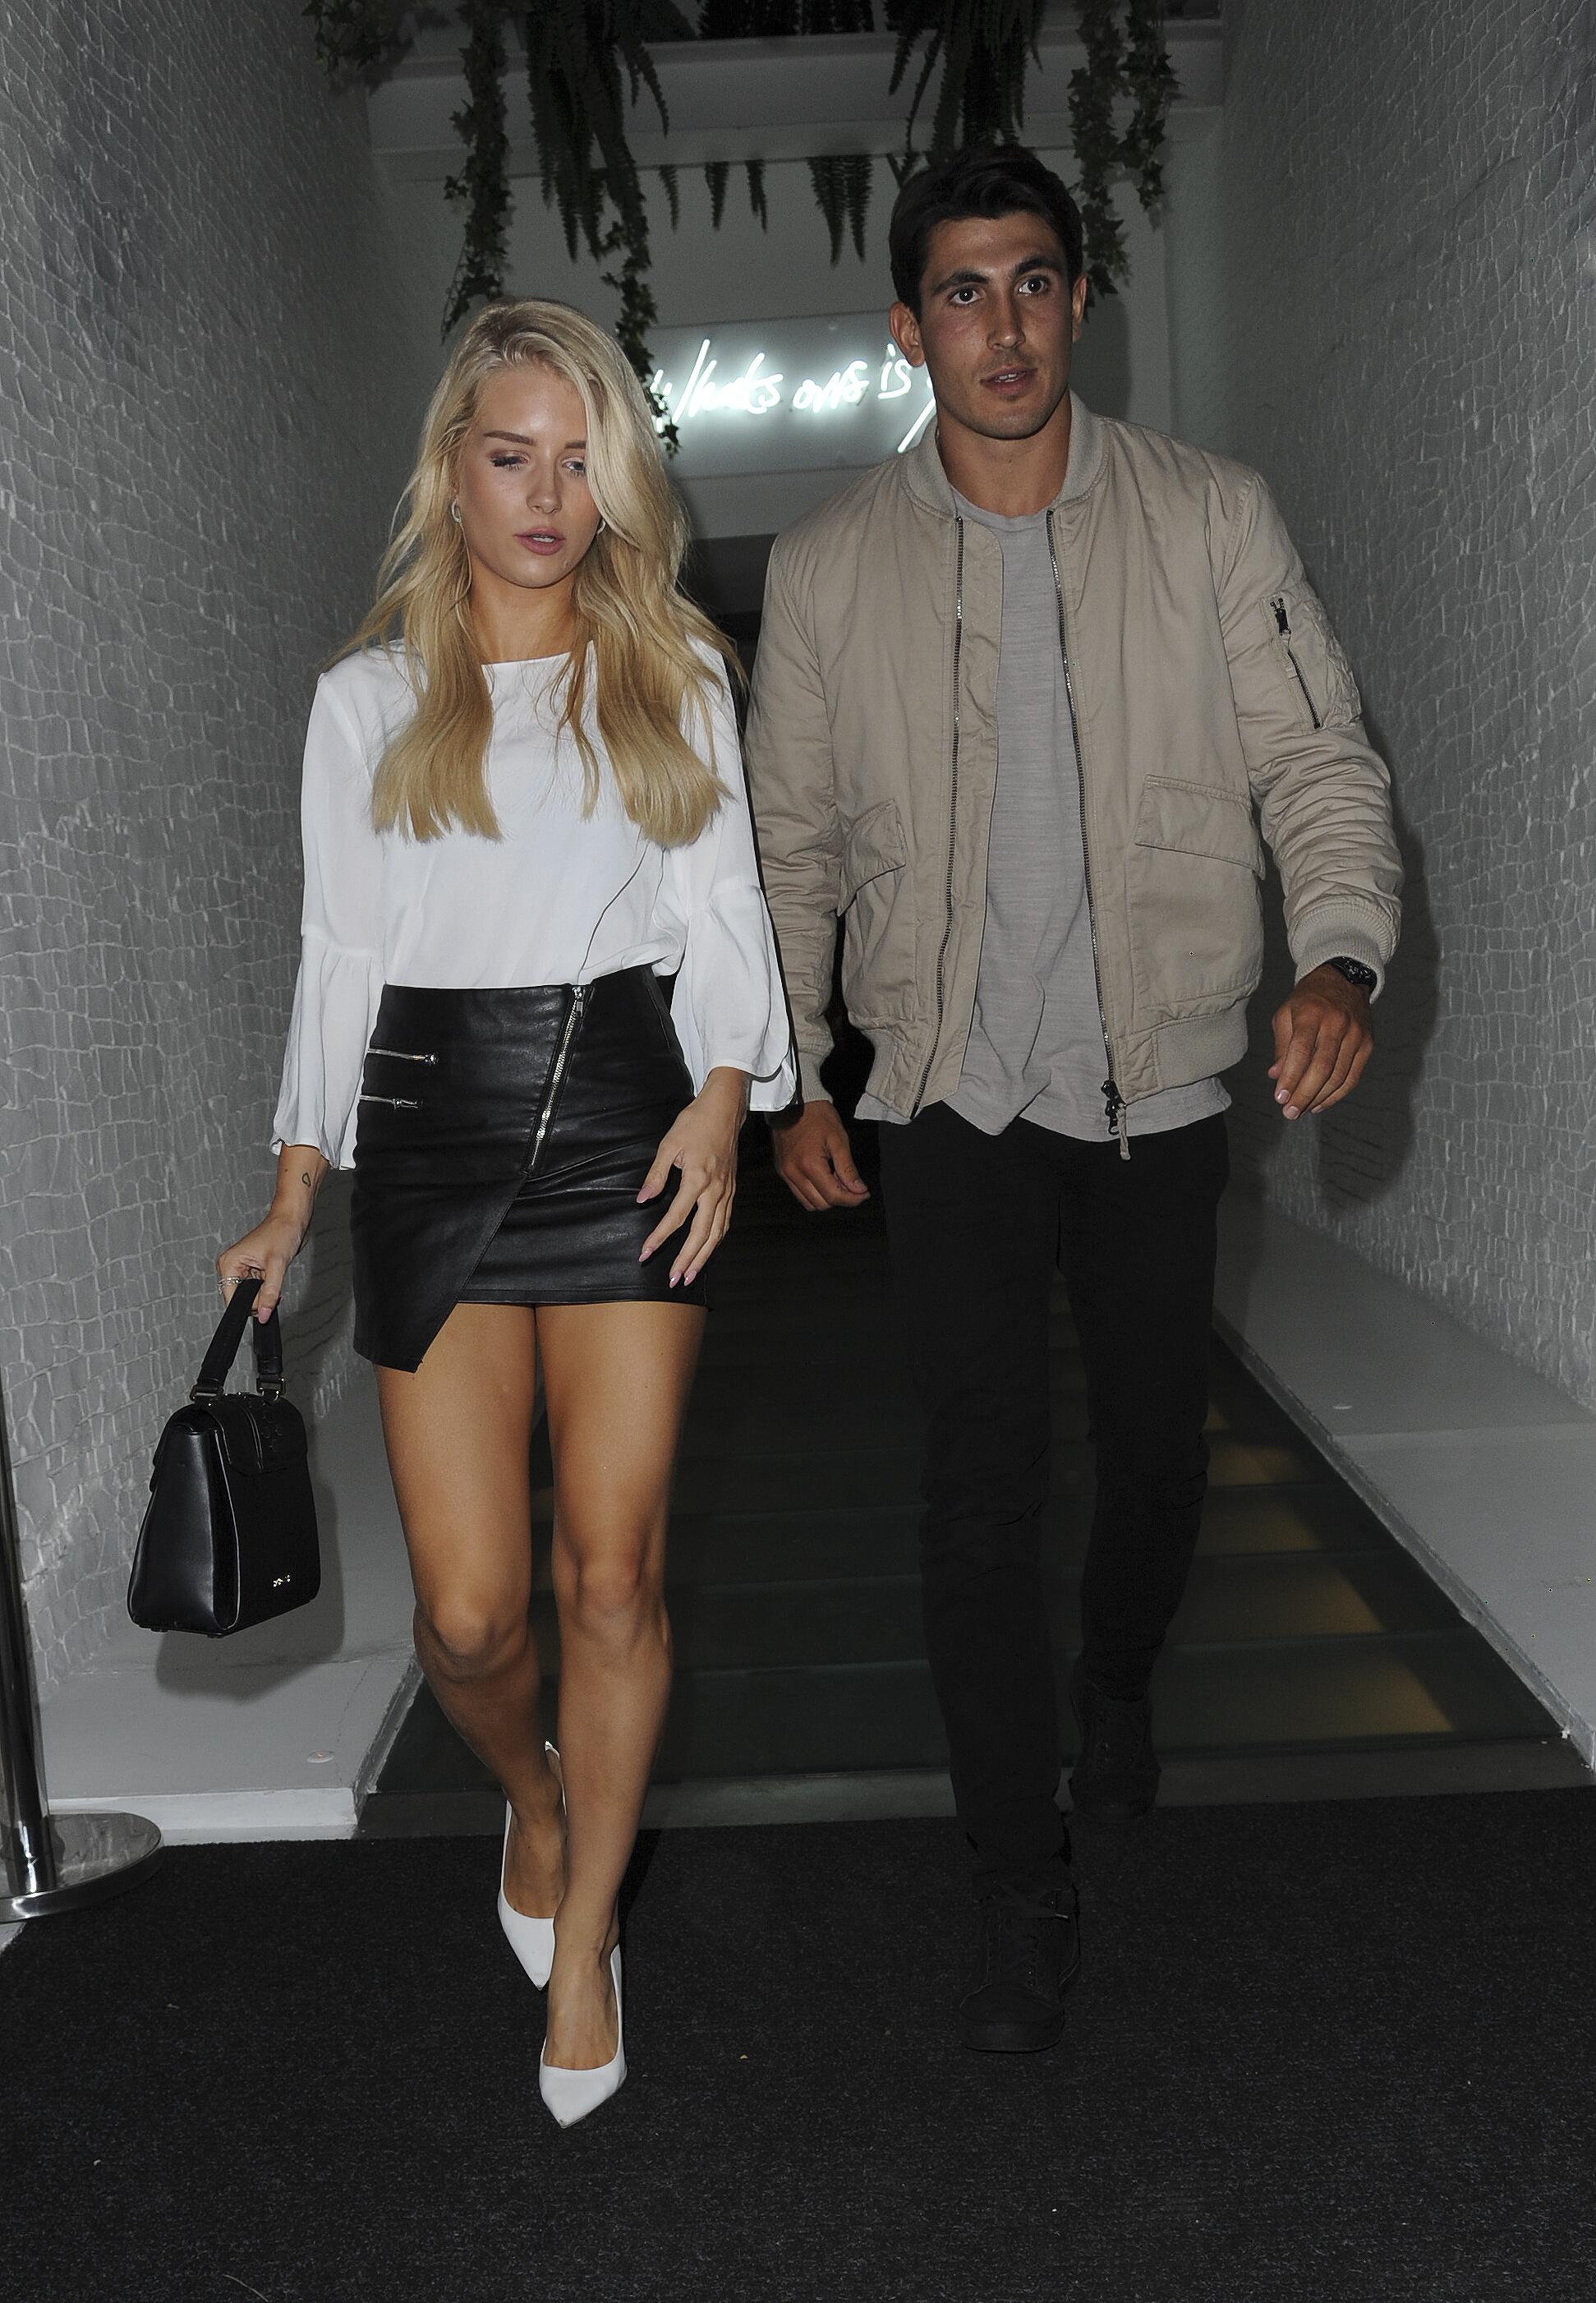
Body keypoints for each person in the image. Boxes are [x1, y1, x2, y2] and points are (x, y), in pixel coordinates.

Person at [745, 146, 1401, 2056]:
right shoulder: (830, 567)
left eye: (1032, 280)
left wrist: (1341, 957)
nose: (1004, 324)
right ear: (909, 327)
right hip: (946, 1092)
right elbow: (786, 849)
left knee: (1159, 1458)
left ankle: (1117, 1673)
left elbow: (1318, 761)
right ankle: (1017, 1882)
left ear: (1079, 301)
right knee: (977, 1492)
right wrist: (794, 1067)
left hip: (1155, 1080)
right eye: (963, 291)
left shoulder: (1211, 517)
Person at [218, 299, 794, 2126]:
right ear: (451, 475)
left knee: (611, 1570)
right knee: (470, 1619)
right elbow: (339, 955)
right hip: (428, 1136)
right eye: (510, 457)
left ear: (615, 484)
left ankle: (590, 1936)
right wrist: (292, 1195)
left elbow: (722, 907)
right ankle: (536, 1804)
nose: (547, 496)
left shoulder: (672, 670)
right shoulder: (365, 701)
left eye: (578, 461)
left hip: (627, 1116)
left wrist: (725, 1102)